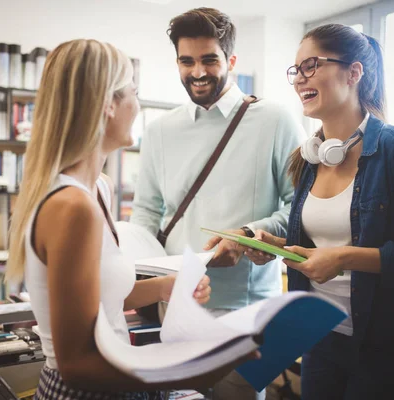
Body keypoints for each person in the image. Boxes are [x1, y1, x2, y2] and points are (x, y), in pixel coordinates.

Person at [6, 39, 256, 400]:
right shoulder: (72, 207)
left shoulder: (99, 190)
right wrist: (194, 368)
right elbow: (75, 363)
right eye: (134, 93)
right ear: (108, 104)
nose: (138, 107)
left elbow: (99, 303)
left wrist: (163, 288)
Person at [244, 24, 394, 399]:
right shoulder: (308, 158)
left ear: (354, 72)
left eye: (311, 65)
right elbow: (321, 246)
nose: (299, 79)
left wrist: (345, 258)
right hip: (320, 336)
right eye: (295, 70)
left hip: (383, 346)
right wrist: (277, 246)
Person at [130, 7, 305, 400]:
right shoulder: (159, 131)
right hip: (173, 305)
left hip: (246, 312)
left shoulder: (276, 120)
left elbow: (298, 209)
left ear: (231, 60)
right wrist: (145, 277)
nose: (197, 72)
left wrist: (246, 235)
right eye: (186, 61)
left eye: (209, 59)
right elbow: (144, 213)